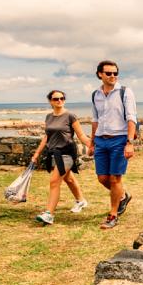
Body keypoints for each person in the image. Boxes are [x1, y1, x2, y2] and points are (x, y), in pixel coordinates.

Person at [89, 60, 143, 229]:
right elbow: (95, 120)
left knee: (114, 178)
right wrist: (91, 142)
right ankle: (122, 196)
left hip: (119, 140)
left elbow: (131, 118)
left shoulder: (125, 92)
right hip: (100, 140)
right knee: (102, 178)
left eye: (115, 73)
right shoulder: (95, 95)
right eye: (109, 73)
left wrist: (129, 142)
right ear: (100, 75)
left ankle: (112, 215)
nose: (113, 76)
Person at [30, 90, 91, 225]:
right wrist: (36, 153)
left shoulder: (70, 116)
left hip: (67, 152)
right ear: (50, 101)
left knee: (54, 181)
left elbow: (81, 135)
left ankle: (49, 214)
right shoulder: (49, 117)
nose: (59, 101)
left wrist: (93, 146)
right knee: (68, 178)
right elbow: (47, 136)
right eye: (56, 99)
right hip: (54, 152)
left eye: (62, 98)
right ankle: (81, 201)